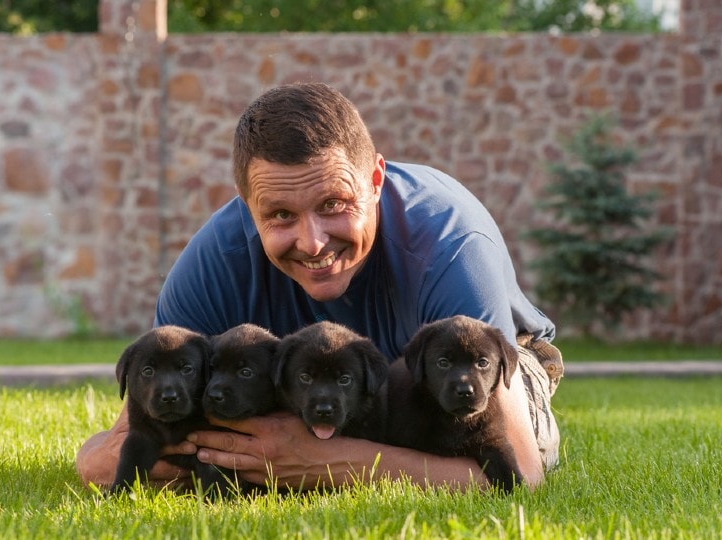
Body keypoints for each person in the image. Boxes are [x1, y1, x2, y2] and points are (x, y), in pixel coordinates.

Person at [76, 82, 562, 491]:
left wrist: (327, 462)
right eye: (281, 215)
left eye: (333, 203)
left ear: (374, 179)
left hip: (470, 369)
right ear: (248, 207)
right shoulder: (214, 263)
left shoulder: (449, 245)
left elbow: (522, 473)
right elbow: (110, 455)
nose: (312, 243)